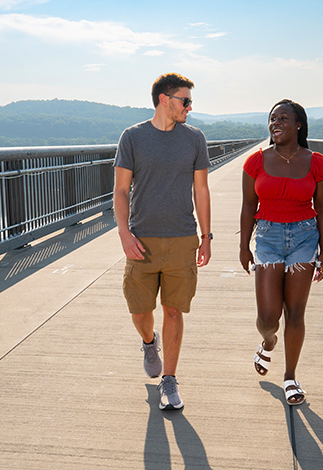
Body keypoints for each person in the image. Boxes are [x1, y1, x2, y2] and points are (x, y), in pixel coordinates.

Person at [114, 72, 212, 411]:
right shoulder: (133, 137)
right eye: (185, 101)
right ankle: (148, 341)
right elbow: (121, 190)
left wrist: (206, 236)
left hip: (182, 238)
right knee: (140, 310)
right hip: (141, 240)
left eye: (190, 101)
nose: (189, 107)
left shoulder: (195, 139)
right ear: (164, 100)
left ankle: (169, 381)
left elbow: (201, 189)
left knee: (173, 310)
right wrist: (124, 233)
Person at [239, 99, 323, 406]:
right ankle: (268, 342)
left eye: (282, 118)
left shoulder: (317, 163)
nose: (275, 123)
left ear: (299, 125)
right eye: (272, 119)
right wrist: (243, 246)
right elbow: (248, 206)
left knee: (295, 312)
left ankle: (290, 376)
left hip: (305, 238)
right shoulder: (256, 162)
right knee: (268, 317)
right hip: (267, 237)